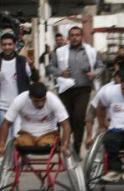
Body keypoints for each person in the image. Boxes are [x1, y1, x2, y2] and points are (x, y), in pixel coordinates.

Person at [47, 26, 103, 154]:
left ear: (82, 37)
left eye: (77, 35)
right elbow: (50, 67)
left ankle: (77, 148)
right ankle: (66, 143)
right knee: (66, 118)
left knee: (79, 117)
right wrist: (60, 72)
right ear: (68, 37)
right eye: (72, 35)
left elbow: (100, 66)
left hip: (83, 89)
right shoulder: (60, 51)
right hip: (65, 89)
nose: (74, 38)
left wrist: (95, 73)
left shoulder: (91, 51)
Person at [0, 82, 71, 157]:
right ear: (30, 97)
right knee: (22, 143)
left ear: (46, 96)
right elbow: (6, 123)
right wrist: (1, 145)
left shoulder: (53, 100)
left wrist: (65, 145)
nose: (40, 104)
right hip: (27, 134)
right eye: (36, 101)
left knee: (44, 144)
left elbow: (66, 125)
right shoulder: (20, 100)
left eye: (43, 100)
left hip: (48, 134)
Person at [0, 32, 37, 121]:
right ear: (1, 46)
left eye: (10, 44)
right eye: (4, 44)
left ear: (14, 45)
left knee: (18, 131)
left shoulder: (22, 61)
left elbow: (35, 79)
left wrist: (32, 66)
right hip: (1, 108)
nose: (7, 47)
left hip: (19, 107)